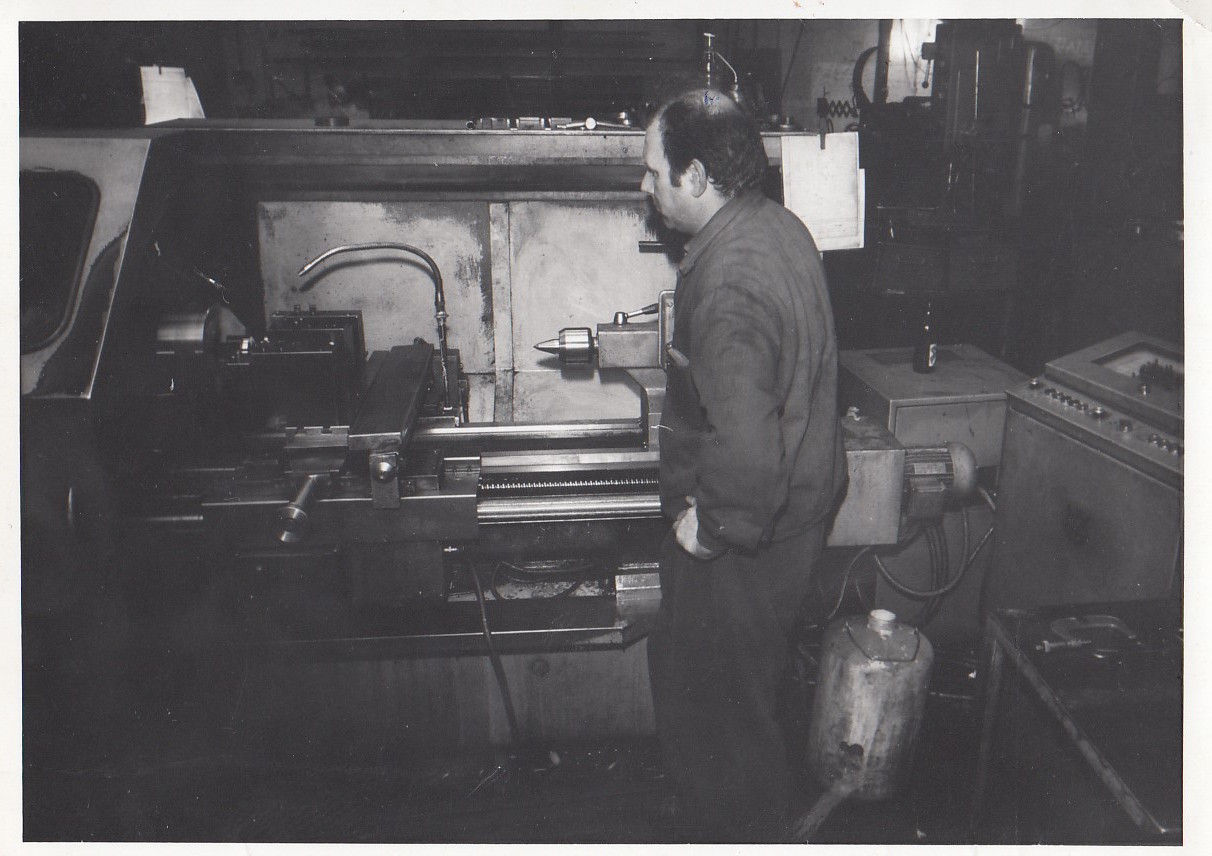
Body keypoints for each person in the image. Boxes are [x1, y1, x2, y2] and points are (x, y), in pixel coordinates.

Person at [641, 88, 847, 843]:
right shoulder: (775, 225)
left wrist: (711, 526)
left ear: (696, 176)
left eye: (653, 173)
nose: (645, 189)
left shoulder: (727, 281)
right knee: (745, 699)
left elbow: (750, 450)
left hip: (752, 529)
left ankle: (738, 831)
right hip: (800, 509)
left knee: (720, 721)